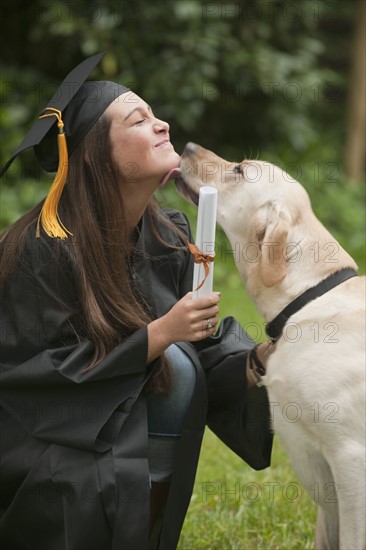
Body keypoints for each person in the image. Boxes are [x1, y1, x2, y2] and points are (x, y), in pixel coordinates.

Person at [0, 53, 273, 550]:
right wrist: (159, 334)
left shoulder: (170, 235)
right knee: (168, 357)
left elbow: (202, 349)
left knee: (179, 365)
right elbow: (32, 378)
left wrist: (259, 361)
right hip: (54, 450)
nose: (162, 123)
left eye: (155, 114)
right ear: (96, 154)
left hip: (130, 434)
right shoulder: (40, 248)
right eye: (138, 119)